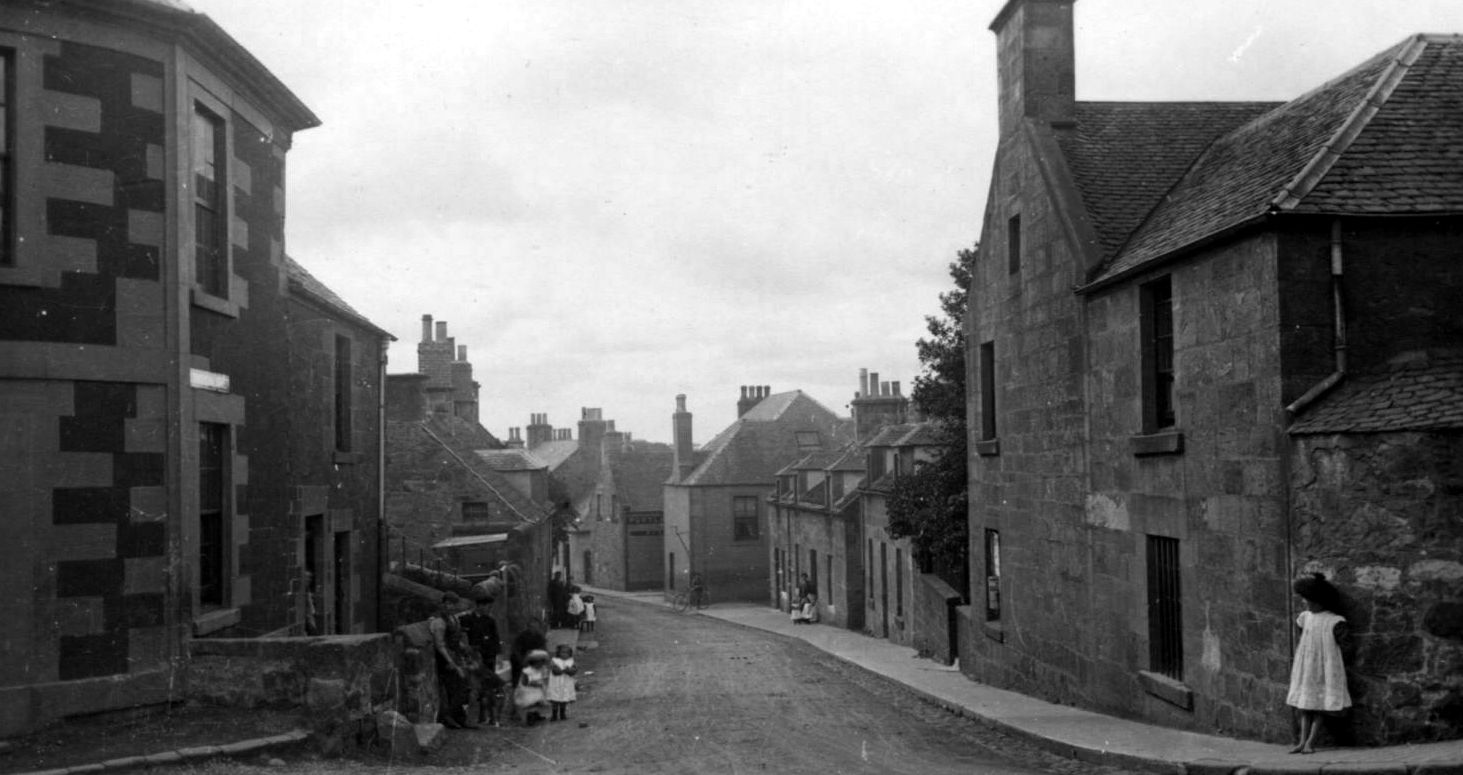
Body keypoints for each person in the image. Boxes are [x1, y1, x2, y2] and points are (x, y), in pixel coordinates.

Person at [1287, 572, 1351, 754]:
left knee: (1320, 706)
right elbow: (1303, 636)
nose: (1306, 604)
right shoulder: (1306, 617)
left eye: (1309, 600)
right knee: (1305, 705)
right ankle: (1301, 741)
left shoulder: (1334, 621)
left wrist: (1336, 664)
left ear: (1319, 601)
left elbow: (1346, 646)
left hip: (1325, 669)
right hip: (1307, 668)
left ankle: (1310, 742)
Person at [428, 593, 476, 729]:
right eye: (448, 603)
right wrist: (450, 662)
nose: (450, 606)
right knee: (453, 687)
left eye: (453, 604)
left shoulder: (454, 619)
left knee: (461, 686)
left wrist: (465, 650)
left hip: (455, 655)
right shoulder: (439, 622)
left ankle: (459, 717)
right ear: (443, 604)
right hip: (445, 659)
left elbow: (456, 639)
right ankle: (448, 717)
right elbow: (440, 645)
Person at [458, 590, 503, 725]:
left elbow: (495, 639)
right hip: (474, 659)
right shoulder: (466, 619)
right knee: (475, 686)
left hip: (488, 657)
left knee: (488, 686)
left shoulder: (490, 621)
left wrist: (496, 655)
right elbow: (461, 637)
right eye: (487, 606)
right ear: (479, 606)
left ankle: (488, 715)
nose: (488, 609)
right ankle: (477, 715)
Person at [509, 620, 548, 721]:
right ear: (527, 626)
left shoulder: (539, 637)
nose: (534, 629)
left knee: (535, 687)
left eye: (536, 627)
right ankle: (515, 711)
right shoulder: (521, 637)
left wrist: (541, 663)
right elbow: (516, 650)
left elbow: (543, 650)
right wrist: (522, 662)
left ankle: (534, 712)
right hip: (520, 664)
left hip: (534, 664)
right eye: (531, 627)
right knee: (517, 686)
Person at [514, 649, 551, 726]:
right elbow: (525, 682)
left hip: (538, 690)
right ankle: (530, 718)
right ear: (533, 662)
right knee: (531, 704)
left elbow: (545, 677)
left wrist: (544, 683)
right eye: (539, 662)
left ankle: (536, 715)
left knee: (538, 703)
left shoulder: (543, 669)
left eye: (543, 662)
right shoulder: (527, 671)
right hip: (529, 691)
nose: (541, 664)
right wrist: (534, 683)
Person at [547, 644, 578, 721]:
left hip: (566, 684)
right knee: (555, 699)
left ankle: (562, 714)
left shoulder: (571, 661)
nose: (564, 654)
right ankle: (554, 715)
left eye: (566, 653)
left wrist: (569, 670)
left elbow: (574, 671)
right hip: (556, 684)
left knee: (564, 699)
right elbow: (555, 671)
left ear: (570, 654)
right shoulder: (554, 660)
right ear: (558, 653)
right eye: (562, 652)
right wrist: (563, 670)